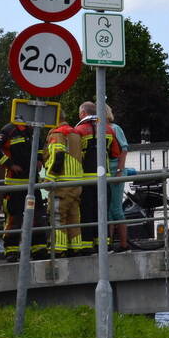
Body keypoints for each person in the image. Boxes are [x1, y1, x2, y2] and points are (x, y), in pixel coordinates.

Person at [0, 120, 45, 261]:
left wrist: (39, 159)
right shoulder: (9, 130)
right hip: (15, 184)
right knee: (14, 218)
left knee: (38, 217)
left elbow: (39, 147)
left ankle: (38, 249)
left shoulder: (34, 130)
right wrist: (10, 164)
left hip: (33, 183)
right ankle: (11, 251)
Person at [74, 101, 122, 251]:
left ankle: (87, 246)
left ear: (83, 113)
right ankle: (104, 244)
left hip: (85, 180)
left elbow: (73, 155)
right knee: (103, 213)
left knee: (86, 214)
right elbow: (116, 153)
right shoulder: (108, 129)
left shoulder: (78, 130)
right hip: (103, 180)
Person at [44, 117, 86, 256]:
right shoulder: (75, 133)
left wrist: (49, 178)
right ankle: (76, 247)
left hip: (61, 184)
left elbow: (58, 156)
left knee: (57, 217)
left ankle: (59, 249)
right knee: (74, 217)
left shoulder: (58, 134)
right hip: (76, 183)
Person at [105, 104, 130, 252]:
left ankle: (123, 244)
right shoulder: (100, 129)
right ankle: (109, 244)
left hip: (115, 171)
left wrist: (120, 170)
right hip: (107, 173)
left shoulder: (115, 128)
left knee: (115, 209)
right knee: (107, 210)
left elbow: (124, 150)